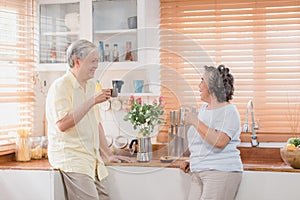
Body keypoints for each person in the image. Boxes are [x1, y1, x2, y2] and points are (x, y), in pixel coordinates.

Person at [46, 39, 132, 200]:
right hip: (72, 159)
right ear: (78, 62)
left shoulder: (91, 86)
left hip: (91, 159)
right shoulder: (61, 86)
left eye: (97, 61)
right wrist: (92, 100)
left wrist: (107, 154)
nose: (96, 66)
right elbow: (62, 124)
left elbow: (96, 124)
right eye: (93, 61)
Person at [181, 65, 243, 200]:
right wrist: (195, 160)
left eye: (202, 81)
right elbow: (203, 140)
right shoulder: (204, 109)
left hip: (220, 171)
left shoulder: (229, 111)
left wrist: (195, 121)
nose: (199, 85)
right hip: (200, 171)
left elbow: (219, 141)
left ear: (212, 86)